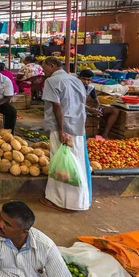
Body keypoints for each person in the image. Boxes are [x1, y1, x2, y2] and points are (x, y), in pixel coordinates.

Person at [40, 56, 91, 212]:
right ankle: (80, 200)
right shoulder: (75, 80)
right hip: (78, 127)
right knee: (77, 163)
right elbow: (82, 103)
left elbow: (57, 106)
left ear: (52, 65)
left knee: (62, 166)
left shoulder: (52, 81)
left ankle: (62, 201)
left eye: (44, 68)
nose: (44, 71)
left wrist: (62, 130)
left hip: (61, 127)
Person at [78, 69, 120, 140]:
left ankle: (105, 134)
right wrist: (90, 109)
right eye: (83, 79)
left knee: (115, 111)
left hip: (88, 109)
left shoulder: (90, 87)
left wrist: (96, 110)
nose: (86, 82)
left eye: (88, 80)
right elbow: (77, 103)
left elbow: (97, 102)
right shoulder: (74, 87)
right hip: (78, 110)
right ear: (79, 78)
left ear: (91, 80)